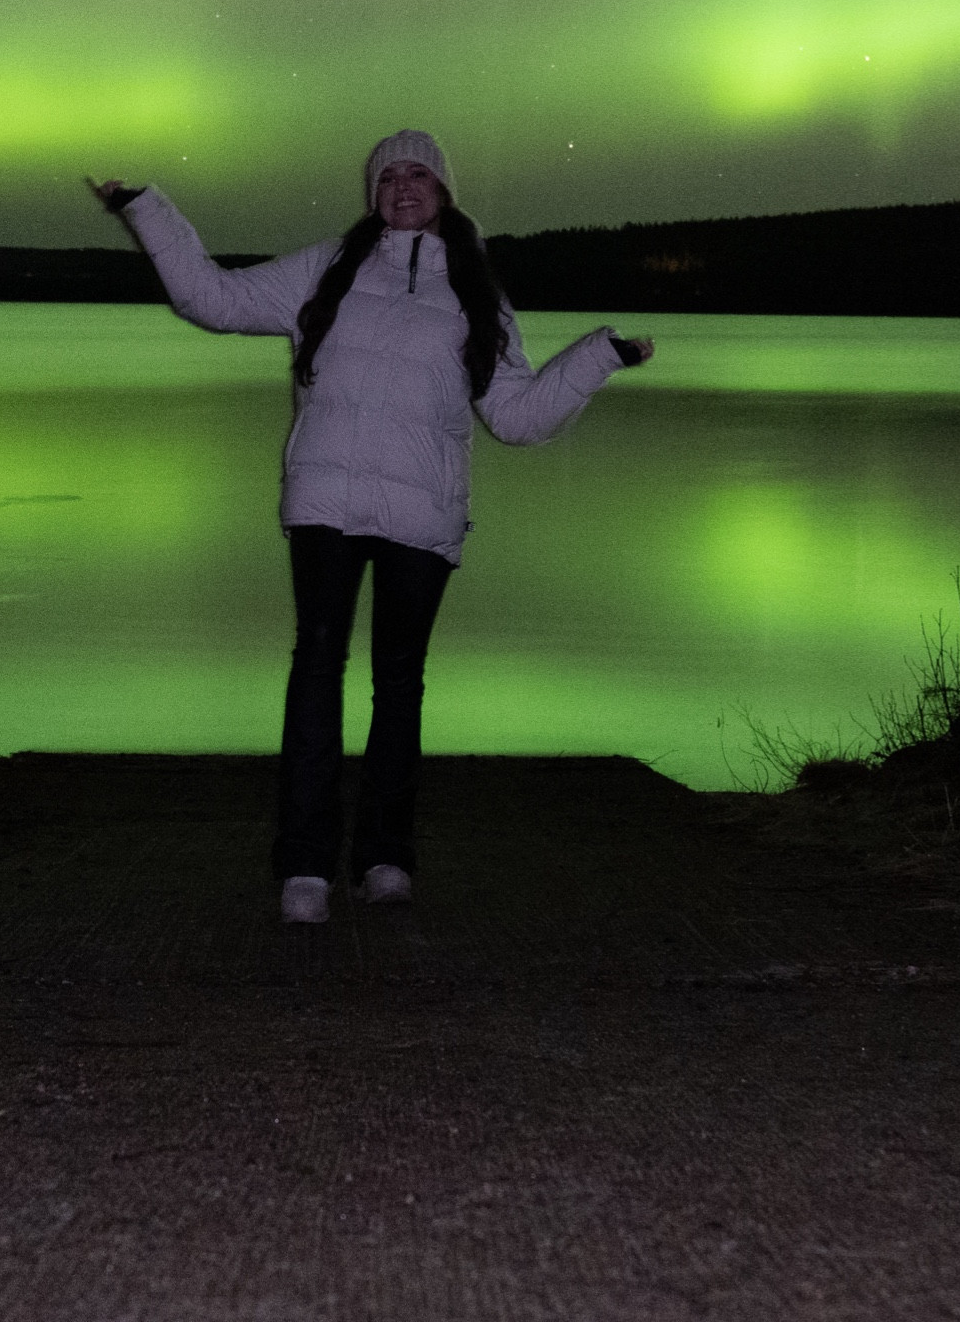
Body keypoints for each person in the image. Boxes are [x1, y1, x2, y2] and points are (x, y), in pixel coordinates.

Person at [90, 131, 654, 926]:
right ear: (372, 192)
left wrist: (599, 357)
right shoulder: (327, 267)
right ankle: (305, 870)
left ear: (444, 189)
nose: (401, 185)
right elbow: (210, 300)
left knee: (399, 685)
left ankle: (385, 857)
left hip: (421, 514)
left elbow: (518, 418)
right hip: (325, 503)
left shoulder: (473, 288)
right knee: (316, 670)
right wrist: (146, 210)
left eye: (417, 172)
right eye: (387, 174)